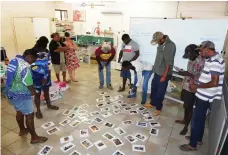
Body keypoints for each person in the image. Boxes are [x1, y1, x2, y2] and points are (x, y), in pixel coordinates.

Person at [179, 41, 225, 151]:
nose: (200, 52)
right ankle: (198, 139)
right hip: (205, 95)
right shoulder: (214, 58)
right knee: (201, 118)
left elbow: (214, 82)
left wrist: (197, 86)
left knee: (196, 120)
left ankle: (192, 144)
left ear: (207, 48)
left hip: (205, 96)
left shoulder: (215, 61)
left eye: (201, 50)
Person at [4, 49, 48, 144]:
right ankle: (34, 138)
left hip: (12, 93)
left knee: (19, 111)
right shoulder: (24, 66)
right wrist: (34, 92)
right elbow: (28, 83)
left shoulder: (14, 61)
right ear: (29, 57)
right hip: (22, 94)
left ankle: (22, 129)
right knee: (29, 115)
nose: (33, 62)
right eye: (33, 60)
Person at [175, 44, 205, 135]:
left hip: (192, 87)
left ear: (195, 52)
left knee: (189, 108)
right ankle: (184, 120)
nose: (189, 58)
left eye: (190, 55)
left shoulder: (200, 61)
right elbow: (190, 72)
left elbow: (196, 75)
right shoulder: (192, 59)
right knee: (185, 105)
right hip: (186, 85)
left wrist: (185, 73)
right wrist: (184, 72)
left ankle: (186, 127)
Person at [144, 31, 176, 116]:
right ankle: (152, 103)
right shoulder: (161, 44)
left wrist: (164, 76)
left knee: (160, 92)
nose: (157, 43)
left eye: (158, 41)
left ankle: (158, 108)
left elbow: (168, 63)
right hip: (157, 72)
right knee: (153, 89)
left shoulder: (170, 45)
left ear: (162, 39)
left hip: (163, 74)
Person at [31, 36, 59, 119]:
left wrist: (45, 75)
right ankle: (38, 110)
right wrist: (44, 75)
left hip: (43, 76)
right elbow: (32, 65)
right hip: (38, 77)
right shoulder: (33, 52)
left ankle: (47, 105)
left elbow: (49, 64)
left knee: (44, 91)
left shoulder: (45, 51)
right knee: (38, 94)